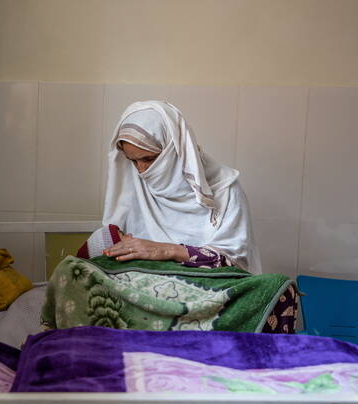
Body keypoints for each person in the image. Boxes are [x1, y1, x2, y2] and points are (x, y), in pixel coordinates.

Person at [102, 101, 261, 274]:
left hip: (208, 290)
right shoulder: (134, 188)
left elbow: (235, 262)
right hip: (143, 289)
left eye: (149, 159)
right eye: (133, 161)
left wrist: (166, 250)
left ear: (174, 150)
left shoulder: (225, 190)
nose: (141, 171)